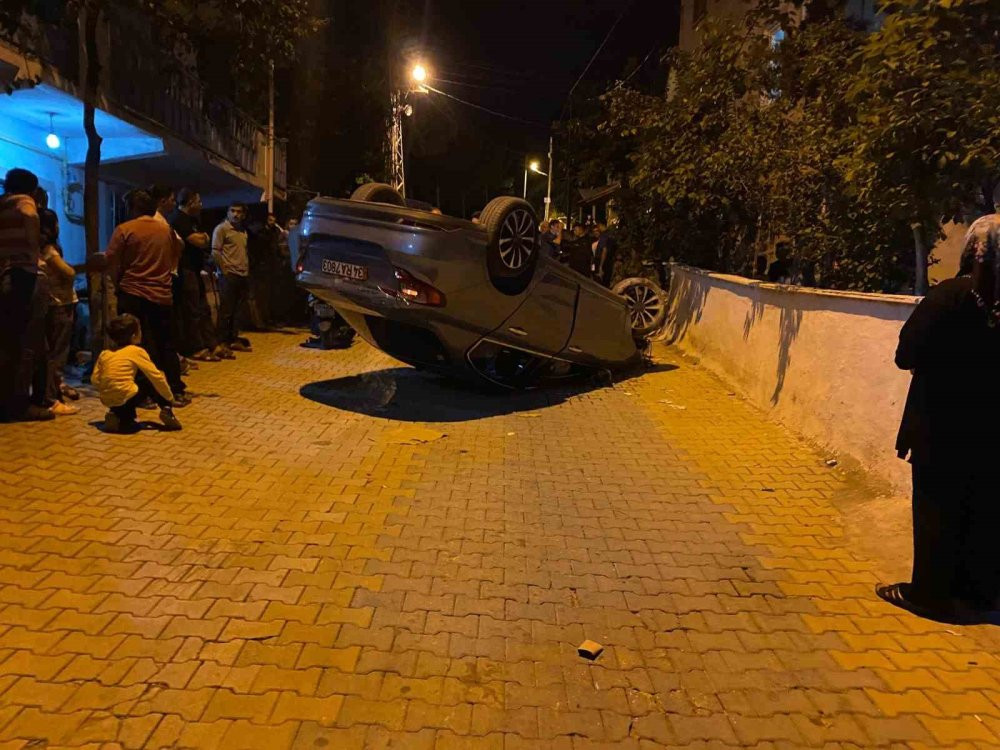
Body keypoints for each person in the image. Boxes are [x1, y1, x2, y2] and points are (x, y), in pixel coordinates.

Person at [878, 222, 1000, 622]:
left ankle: (930, 594)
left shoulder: (949, 295)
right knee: (982, 509)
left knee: (936, 508)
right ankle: (978, 594)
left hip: (940, 424)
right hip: (991, 429)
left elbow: (906, 353)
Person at [98, 190, 189, 406]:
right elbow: (177, 253)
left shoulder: (125, 229)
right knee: (165, 343)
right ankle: (174, 390)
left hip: (133, 293)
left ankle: (143, 395)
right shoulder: (166, 230)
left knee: (136, 346)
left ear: (133, 208)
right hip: (162, 294)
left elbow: (110, 261)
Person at [0, 168, 52, 421]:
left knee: (7, 344)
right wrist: (35, 251)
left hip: (6, 276)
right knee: (27, 344)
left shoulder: (3, 206)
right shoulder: (24, 203)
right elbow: (29, 213)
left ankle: (5, 401)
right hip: (25, 276)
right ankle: (20, 405)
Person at [94, 313, 181, 433]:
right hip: (127, 395)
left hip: (108, 398)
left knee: (123, 392)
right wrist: (169, 398)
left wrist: (106, 388)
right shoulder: (136, 351)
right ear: (134, 335)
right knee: (148, 379)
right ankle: (166, 409)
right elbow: (155, 376)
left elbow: (94, 379)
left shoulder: (105, 353)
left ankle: (116, 414)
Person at [169, 189, 225, 361]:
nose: (201, 205)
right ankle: (195, 348)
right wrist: (203, 238)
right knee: (192, 310)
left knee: (204, 309)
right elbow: (198, 240)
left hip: (195, 269)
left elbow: (202, 239)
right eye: (199, 201)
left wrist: (203, 239)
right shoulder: (178, 218)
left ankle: (212, 344)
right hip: (185, 270)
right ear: (191, 202)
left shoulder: (192, 220)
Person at [39, 209, 79, 415]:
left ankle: (53, 392)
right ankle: (51, 399)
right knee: (56, 355)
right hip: (59, 305)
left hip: (51, 305)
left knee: (51, 354)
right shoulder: (49, 251)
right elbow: (68, 273)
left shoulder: (38, 248)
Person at [212, 202, 252, 352]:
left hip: (242, 274)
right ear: (228, 212)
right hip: (229, 275)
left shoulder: (243, 231)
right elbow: (215, 251)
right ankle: (222, 342)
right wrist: (223, 270)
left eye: (239, 212)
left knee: (238, 310)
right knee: (226, 311)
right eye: (232, 211)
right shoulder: (222, 229)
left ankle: (233, 339)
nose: (236, 214)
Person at [592, 222, 618, 287]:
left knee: (601, 283)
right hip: (605, 262)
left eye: (598, 228)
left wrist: (601, 266)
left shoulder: (604, 236)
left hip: (603, 263)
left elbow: (604, 251)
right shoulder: (609, 236)